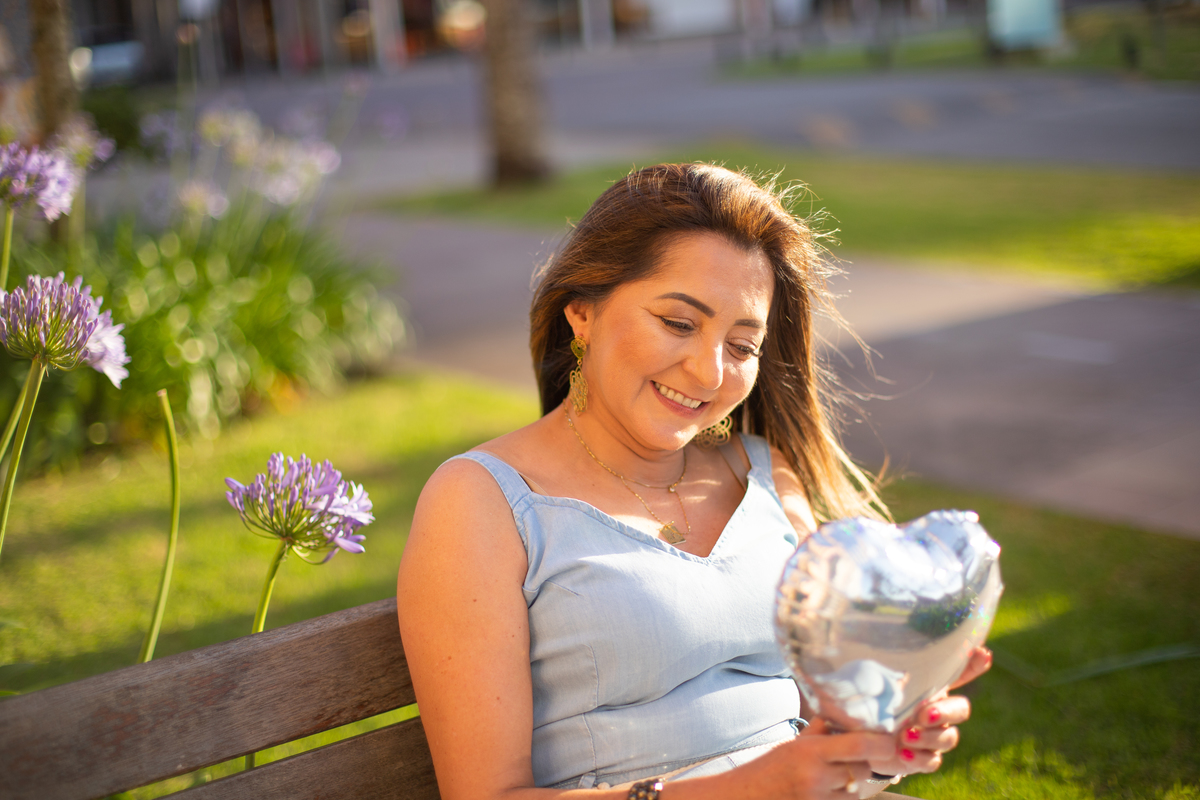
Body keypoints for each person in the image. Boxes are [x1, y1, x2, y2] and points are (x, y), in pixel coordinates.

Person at [396, 163, 991, 800]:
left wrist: (877, 740)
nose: (710, 374)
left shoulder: (764, 470)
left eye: (742, 345)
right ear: (582, 311)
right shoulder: (482, 501)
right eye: (679, 324)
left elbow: (824, 731)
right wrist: (759, 786)